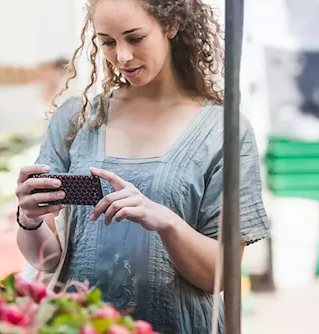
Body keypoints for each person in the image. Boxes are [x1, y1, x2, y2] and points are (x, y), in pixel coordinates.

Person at [15, 0, 270, 333]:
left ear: (171, 26)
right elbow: (46, 260)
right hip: (79, 325)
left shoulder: (223, 130)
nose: (121, 56)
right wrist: (30, 219)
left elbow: (219, 274)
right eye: (107, 41)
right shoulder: (76, 120)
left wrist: (165, 222)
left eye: (135, 38)